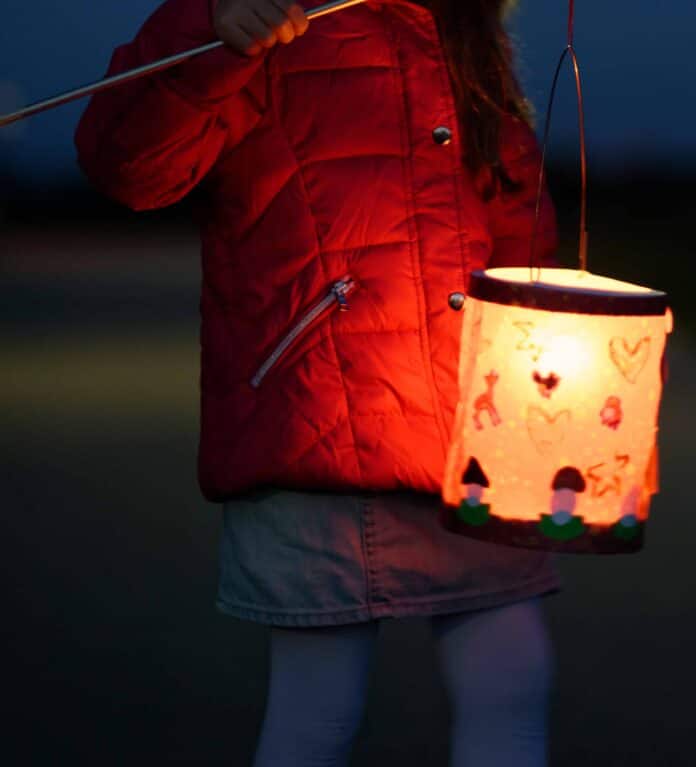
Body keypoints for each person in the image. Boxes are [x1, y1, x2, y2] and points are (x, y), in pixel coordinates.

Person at [75, 1, 562, 765]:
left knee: (512, 676)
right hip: (319, 426)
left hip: (472, 429)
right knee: (319, 706)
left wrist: (559, 352)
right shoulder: (262, 11)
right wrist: (214, 30)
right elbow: (128, 166)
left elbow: (515, 212)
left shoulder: (462, 26)